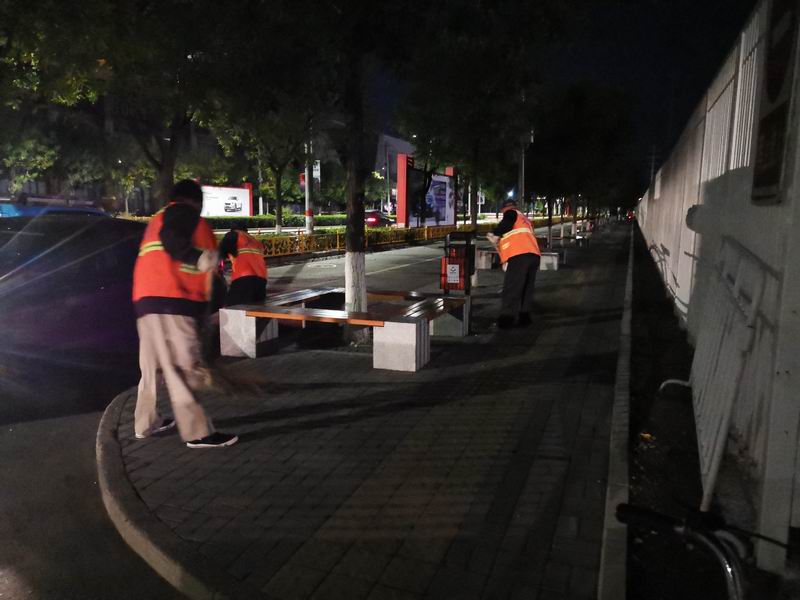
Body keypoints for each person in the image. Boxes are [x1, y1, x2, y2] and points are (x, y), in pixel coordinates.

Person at [131, 179, 238, 448]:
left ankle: (145, 423)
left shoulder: (157, 219)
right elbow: (175, 242)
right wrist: (199, 258)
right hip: (174, 301)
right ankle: (198, 432)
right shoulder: (183, 212)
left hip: (146, 304)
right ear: (195, 201)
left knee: (152, 368)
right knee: (182, 368)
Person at [487, 198, 541, 329]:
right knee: (526, 287)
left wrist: (495, 234)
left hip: (520, 255)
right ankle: (524, 317)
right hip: (533, 255)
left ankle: (507, 318)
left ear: (504, 209)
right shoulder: (524, 219)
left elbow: (506, 224)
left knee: (512, 286)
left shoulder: (511, 213)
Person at [218, 224, 267, 306]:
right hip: (262, 280)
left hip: (243, 278)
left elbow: (220, 251)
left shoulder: (234, 234)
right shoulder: (255, 241)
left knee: (232, 308)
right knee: (254, 309)